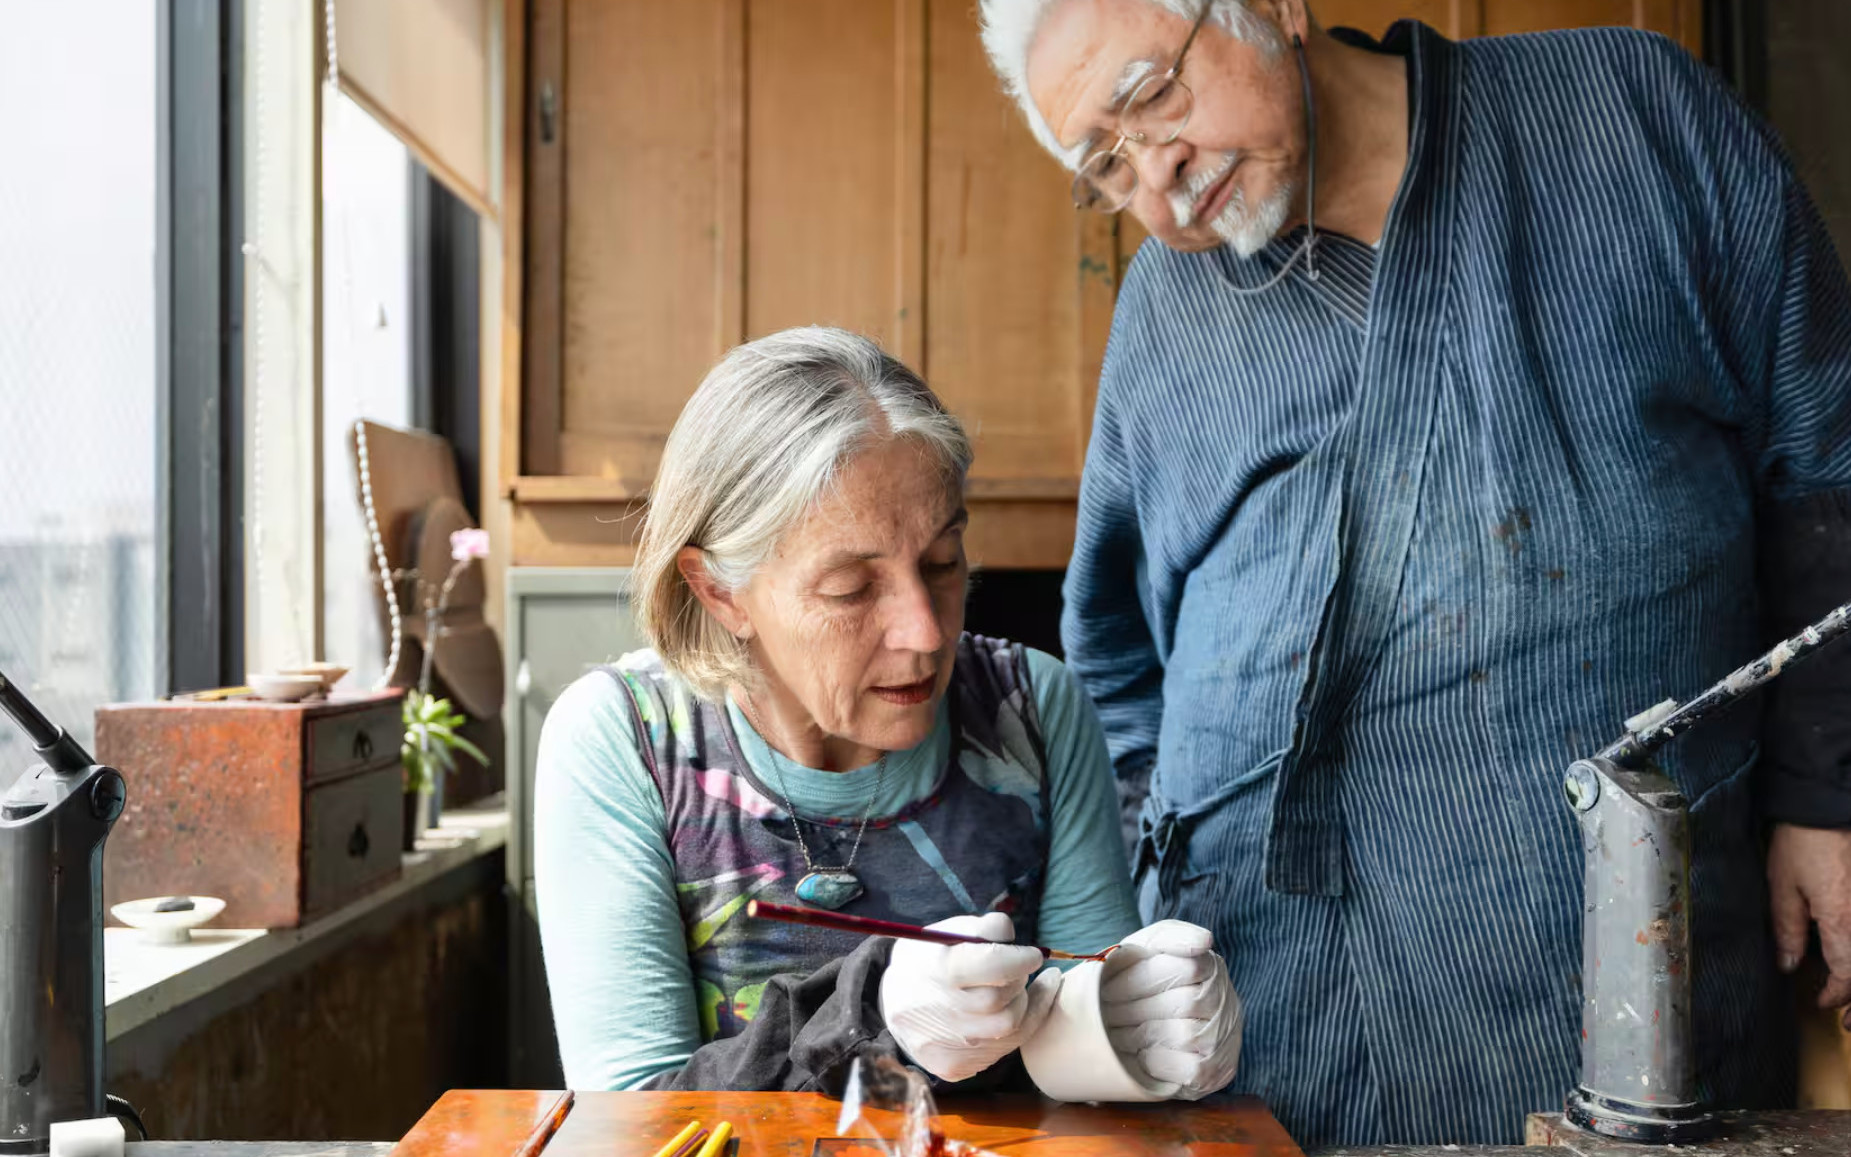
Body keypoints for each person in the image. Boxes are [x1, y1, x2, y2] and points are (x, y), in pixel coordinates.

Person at [976, 0, 1851, 1146]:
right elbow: (1117, 667)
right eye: (1105, 160)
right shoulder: (1167, 313)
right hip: (1283, 1005)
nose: (1156, 177)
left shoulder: (1630, 120)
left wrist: (1826, 793)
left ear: (1278, 10)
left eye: (1151, 99)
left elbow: (1826, 460)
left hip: (1632, 933)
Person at [534, 326, 1242, 1097]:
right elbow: (628, 1122)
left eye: (941, 563)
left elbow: (1084, 1074)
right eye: (850, 589)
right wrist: (865, 1013)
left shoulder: (1030, 712)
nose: (926, 631)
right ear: (719, 590)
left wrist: (1139, 1036)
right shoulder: (628, 740)